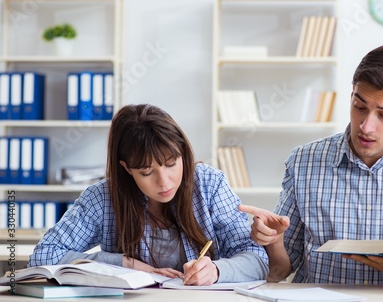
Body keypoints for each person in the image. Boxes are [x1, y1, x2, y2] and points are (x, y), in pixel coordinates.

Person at [239, 44, 383, 285]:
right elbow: (279, 271)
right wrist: (274, 240)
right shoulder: (304, 161)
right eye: (360, 107)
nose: (366, 126)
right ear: (351, 96)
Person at [29, 104, 269, 285]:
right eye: (146, 172)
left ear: (182, 153)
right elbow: (43, 255)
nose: (164, 182)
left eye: (171, 164)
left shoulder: (209, 184)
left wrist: (217, 271)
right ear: (126, 168)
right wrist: (125, 264)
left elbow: (257, 259)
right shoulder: (104, 197)